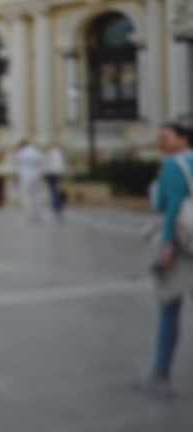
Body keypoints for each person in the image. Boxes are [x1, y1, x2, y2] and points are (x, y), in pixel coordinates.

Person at [136, 123, 193, 399]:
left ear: (183, 139)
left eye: (165, 137)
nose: (160, 142)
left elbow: (170, 206)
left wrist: (167, 245)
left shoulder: (173, 166)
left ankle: (160, 374)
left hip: (182, 247)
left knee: (169, 306)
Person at [13, 140, 44, 223]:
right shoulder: (36, 151)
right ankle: (37, 214)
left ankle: (29, 215)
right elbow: (41, 161)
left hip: (25, 176)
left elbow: (16, 160)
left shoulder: (21, 152)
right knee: (36, 195)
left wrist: (16, 151)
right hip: (36, 175)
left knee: (27, 196)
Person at [43, 146, 66, 221]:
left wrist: (46, 174)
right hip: (56, 174)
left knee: (53, 192)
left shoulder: (52, 154)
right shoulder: (57, 154)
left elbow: (49, 166)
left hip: (52, 175)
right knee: (55, 191)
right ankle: (58, 207)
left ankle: (56, 208)